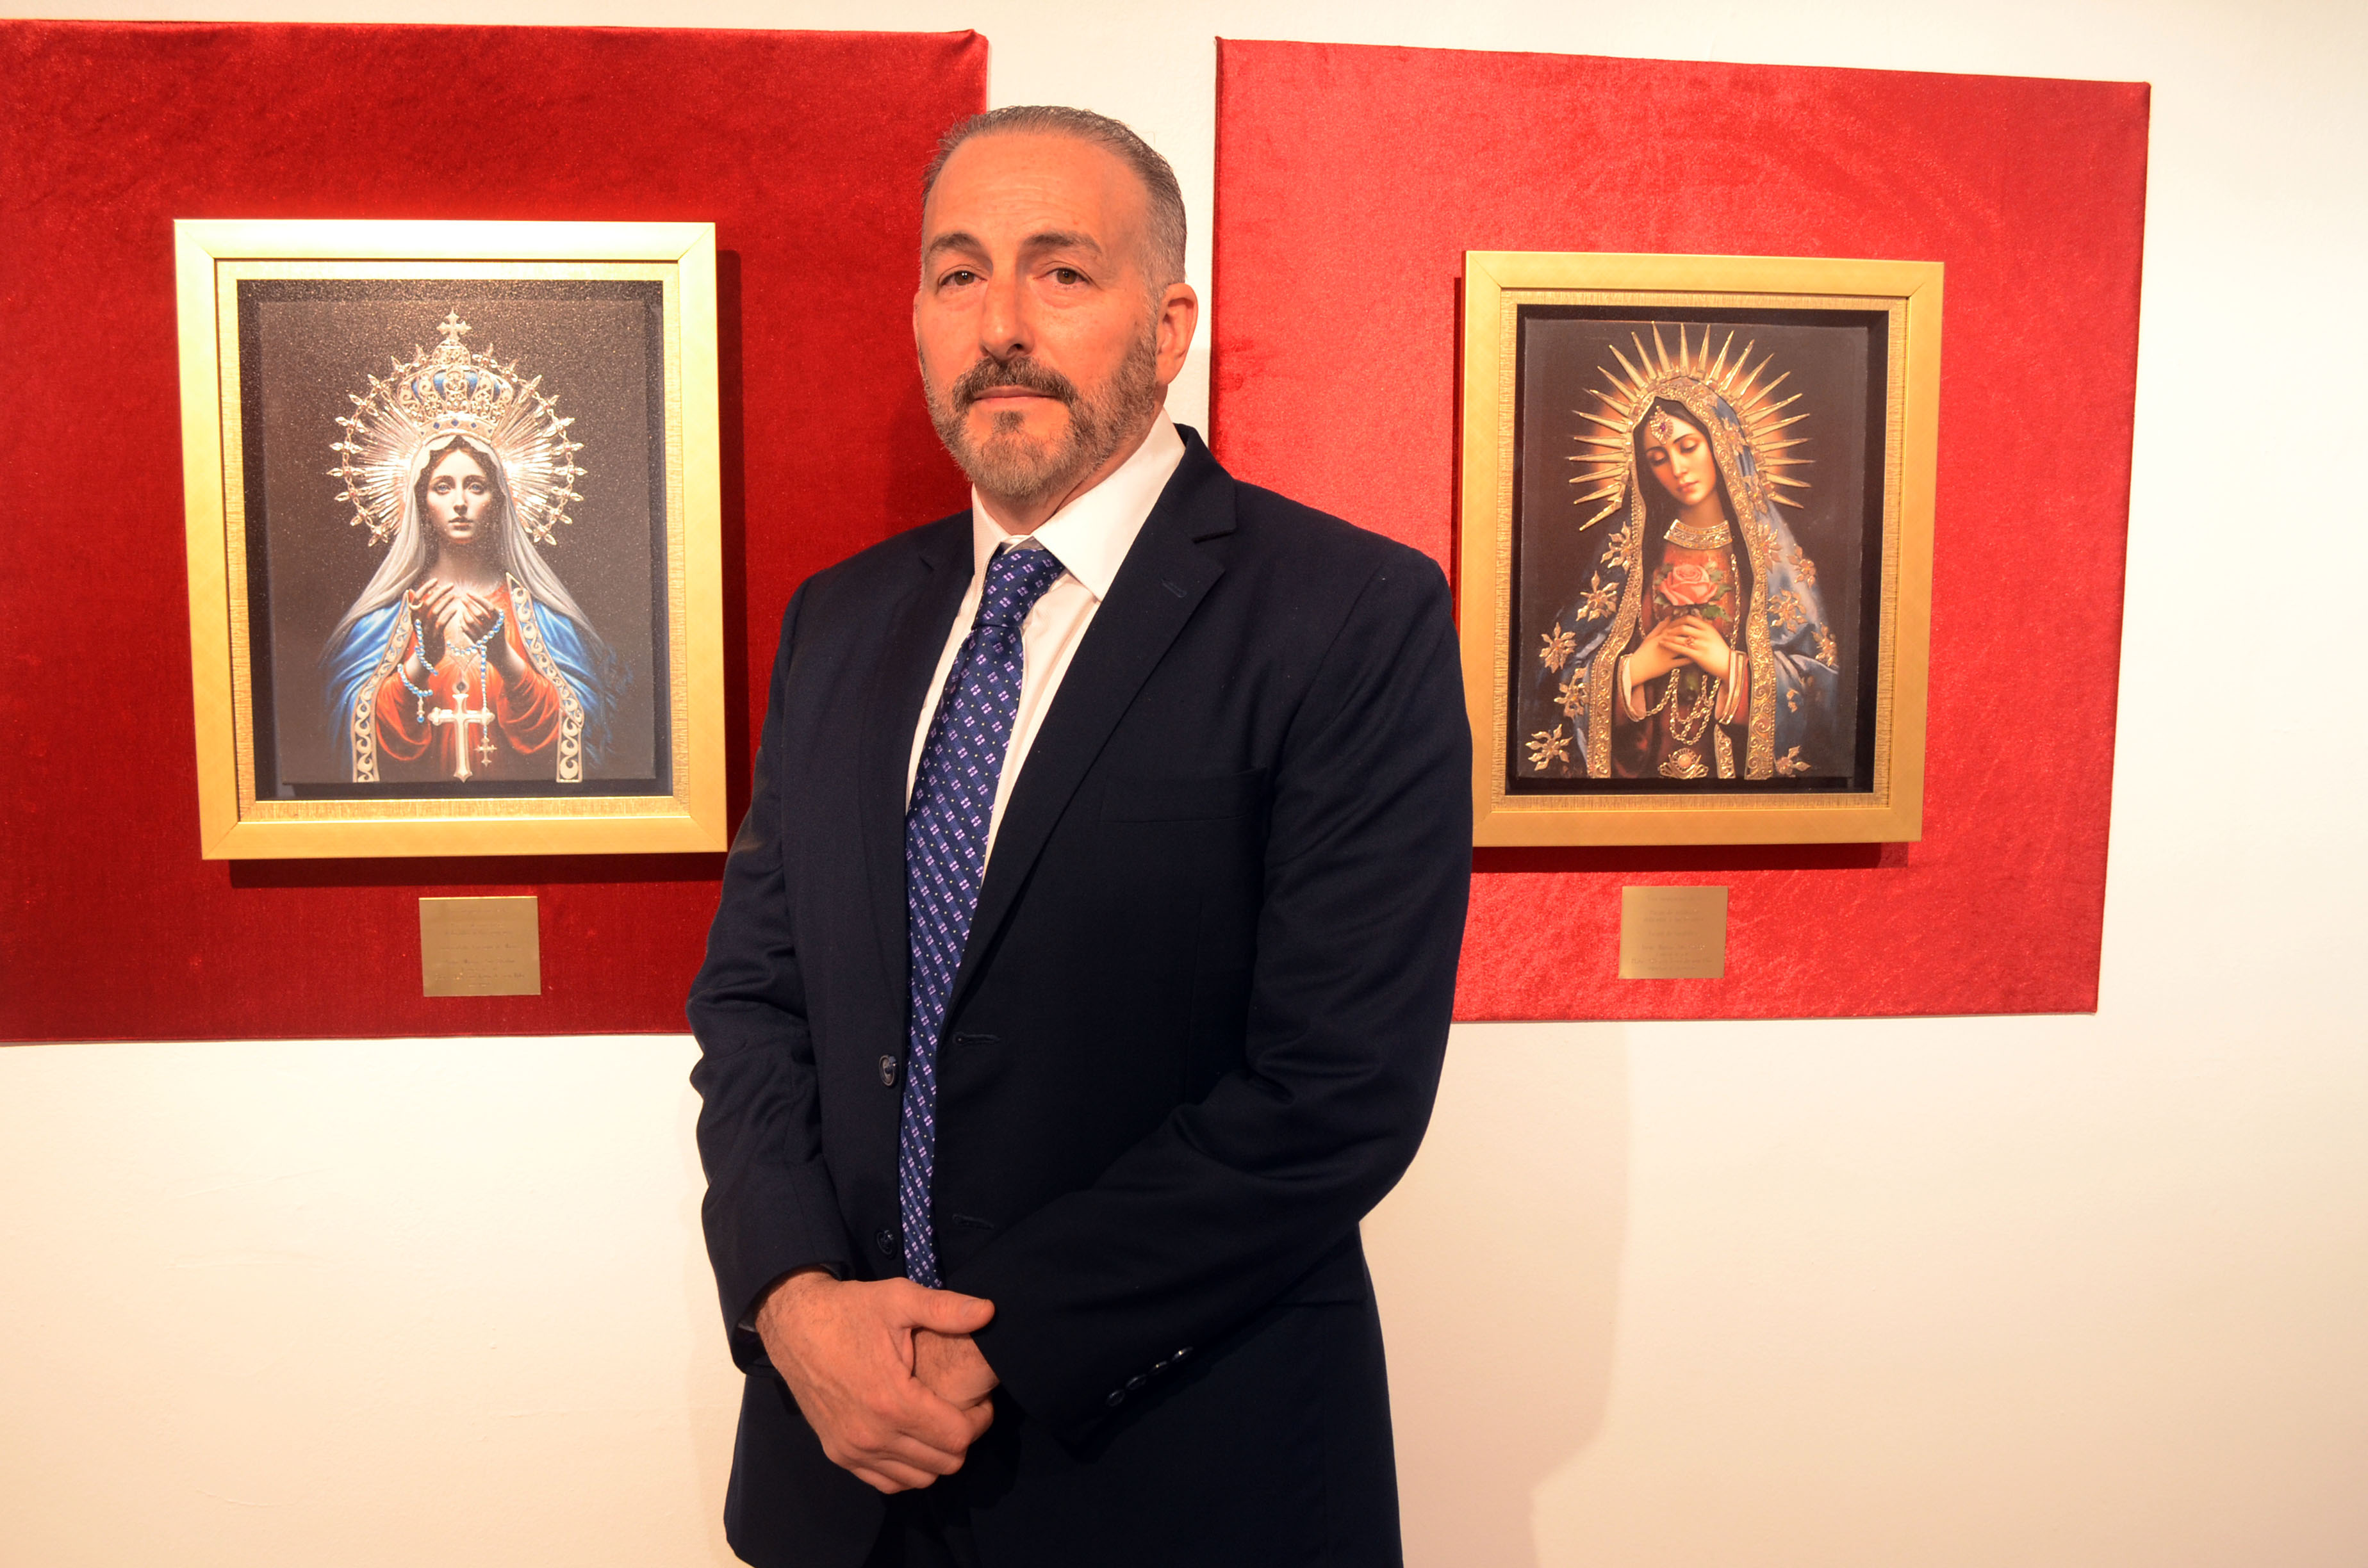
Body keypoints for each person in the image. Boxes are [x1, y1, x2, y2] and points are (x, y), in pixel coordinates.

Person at [687, 106, 1470, 1568]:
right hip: (841, 1470)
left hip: (1182, 1474)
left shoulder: (1349, 618)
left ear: (1169, 326)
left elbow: (1335, 1089)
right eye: (959, 273)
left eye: (1060, 272)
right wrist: (793, 1300)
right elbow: (756, 1000)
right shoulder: (840, 621)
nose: (1000, 325)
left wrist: (989, 1344)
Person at [1526, 332, 1838, 782]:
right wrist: (1631, 671)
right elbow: (1557, 676)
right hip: (1641, 776)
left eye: (1688, 447)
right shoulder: (1630, 552)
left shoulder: (1770, 558)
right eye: (1658, 458)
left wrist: (1730, 668)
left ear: (1722, 444)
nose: (1677, 469)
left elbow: (1823, 688)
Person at [322, 323, 621, 785]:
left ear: (498, 500)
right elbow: (348, 729)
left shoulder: (542, 618)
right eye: (443, 487)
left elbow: (584, 729)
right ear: (421, 502)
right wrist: (421, 661)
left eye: (476, 486)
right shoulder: (385, 619)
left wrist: (505, 658)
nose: (460, 502)